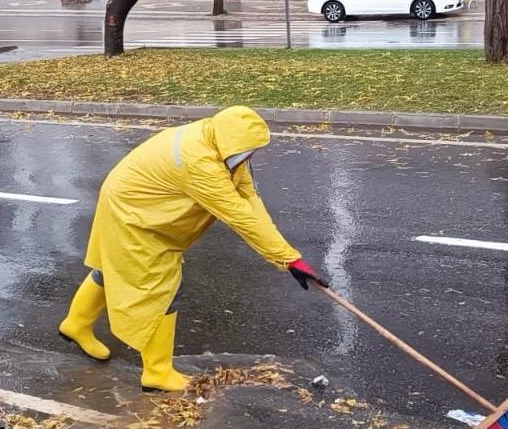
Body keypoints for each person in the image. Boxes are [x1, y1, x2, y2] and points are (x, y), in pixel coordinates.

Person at [58, 106, 326, 392]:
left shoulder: (219, 142)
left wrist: (289, 258)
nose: (254, 157)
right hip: (134, 213)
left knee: (115, 267)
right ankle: (157, 372)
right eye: (251, 151)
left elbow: (249, 200)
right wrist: (287, 259)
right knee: (160, 287)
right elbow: (240, 216)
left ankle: (76, 324)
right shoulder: (200, 164)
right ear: (234, 143)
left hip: (132, 200)